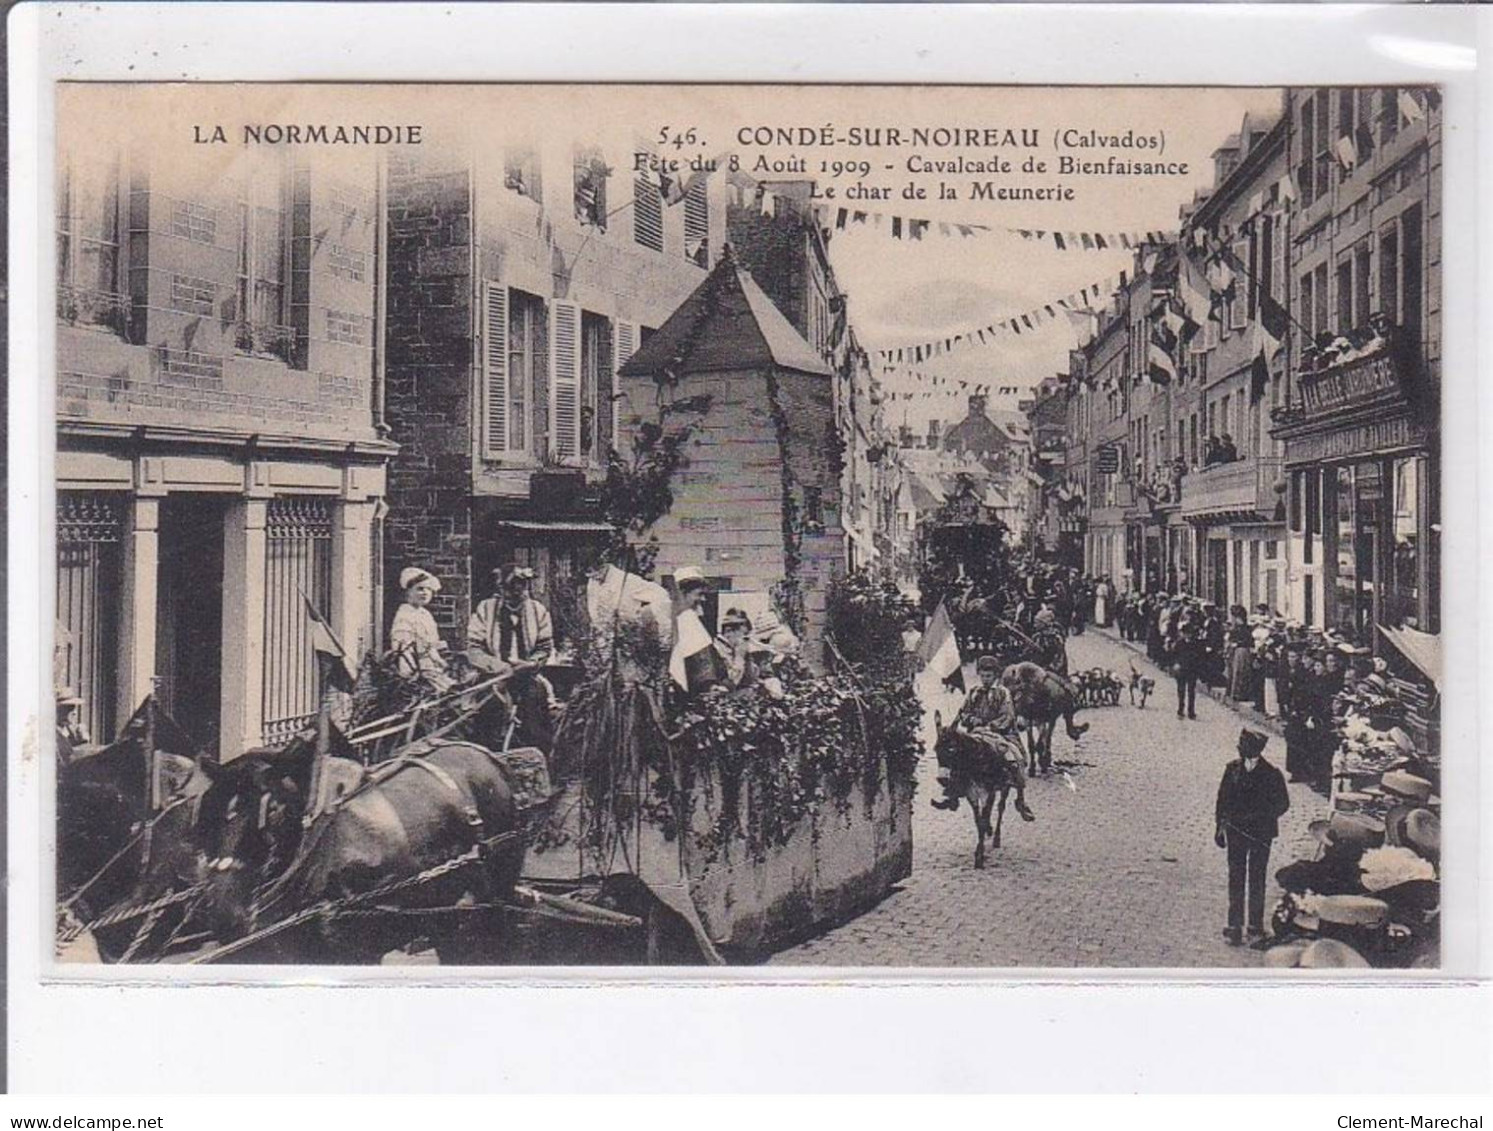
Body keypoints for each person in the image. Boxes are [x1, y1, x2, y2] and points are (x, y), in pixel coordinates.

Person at [932, 654, 1035, 822]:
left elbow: (1007, 716)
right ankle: (952, 794)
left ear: (995, 676)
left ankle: (1020, 798)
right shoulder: (974, 693)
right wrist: (970, 720)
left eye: (989, 676)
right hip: (977, 733)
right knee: (958, 755)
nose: (985, 679)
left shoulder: (1003, 693)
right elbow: (963, 712)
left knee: (1012, 756)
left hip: (1001, 733)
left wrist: (991, 726)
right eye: (983, 676)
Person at [467, 565, 559, 746]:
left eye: (521, 588)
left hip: (527, 676)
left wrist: (531, 664)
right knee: (488, 711)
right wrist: (498, 667)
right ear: (500, 589)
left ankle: (532, 756)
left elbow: (544, 647)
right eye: (508, 590)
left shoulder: (538, 611)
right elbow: (474, 649)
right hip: (493, 677)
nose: (515, 595)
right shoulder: (485, 610)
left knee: (535, 710)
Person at [1214, 728, 1290, 945]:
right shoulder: (1232, 769)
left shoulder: (1272, 774)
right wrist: (1219, 828)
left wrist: (1262, 817)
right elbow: (1222, 800)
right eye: (1239, 742)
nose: (1239, 747)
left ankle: (1255, 926)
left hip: (1260, 834)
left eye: (1243, 743)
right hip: (1235, 832)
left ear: (1255, 748)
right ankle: (1234, 926)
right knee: (1235, 878)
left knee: (1257, 879)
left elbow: (1282, 804)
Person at [388, 566, 453, 693]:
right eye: (420, 589)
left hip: (434, 668)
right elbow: (402, 651)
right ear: (408, 591)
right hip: (418, 672)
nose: (425, 593)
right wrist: (409, 678)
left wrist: (442, 662)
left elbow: (432, 646)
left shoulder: (425, 615)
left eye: (428, 589)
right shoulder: (405, 615)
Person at [668, 566, 716, 693]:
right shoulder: (686, 619)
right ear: (683, 593)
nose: (703, 599)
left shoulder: (688, 618)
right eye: (699, 594)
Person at [693, 607, 760, 694]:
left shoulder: (742, 650)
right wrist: (739, 658)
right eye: (744, 637)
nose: (746, 642)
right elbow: (728, 684)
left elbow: (751, 679)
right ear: (728, 633)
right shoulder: (715, 652)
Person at [1169, 619, 1201, 720]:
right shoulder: (1179, 643)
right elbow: (1173, 655)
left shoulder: (1196, 644)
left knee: (1191, 691)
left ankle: (1191, 711)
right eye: (1185, 633)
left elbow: (1199, 656)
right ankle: (1180, 709)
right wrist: (1175, 664)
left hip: (1192, 669)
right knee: (1181, 690)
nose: (1187, 635)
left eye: (1189, 633)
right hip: (1181, 670)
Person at [55, 687, 91, 767]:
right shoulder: (53, 735)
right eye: (70, 708)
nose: (75, 712)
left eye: (75, 708)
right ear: (58, 709)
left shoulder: (68, 730)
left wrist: (83, 742)